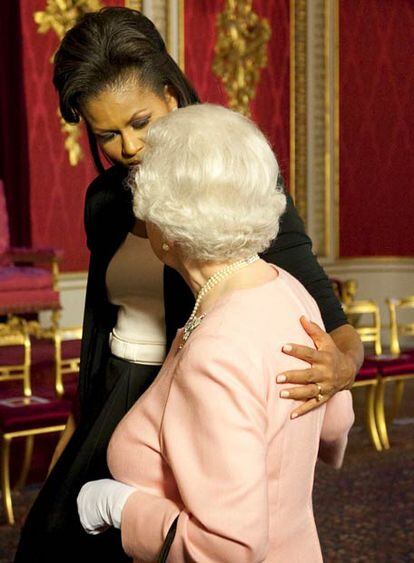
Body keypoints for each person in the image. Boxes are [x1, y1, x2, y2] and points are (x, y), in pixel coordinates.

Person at [15, 7, 362, 563]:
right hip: (111, 402)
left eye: (141, 122)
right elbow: (102, 330)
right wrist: (78, 427)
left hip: (192, 404)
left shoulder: (228, 184)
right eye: (108, 134)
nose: (128, 147)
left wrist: (341, 369)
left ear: (172, 96)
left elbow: (328, 320)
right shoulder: (104, 203)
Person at [77, 103, 355, 562]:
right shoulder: (288, 290)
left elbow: (229, 548)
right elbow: (337, 420)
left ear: (167, 226)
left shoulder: (218, 350)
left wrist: (123, 508)